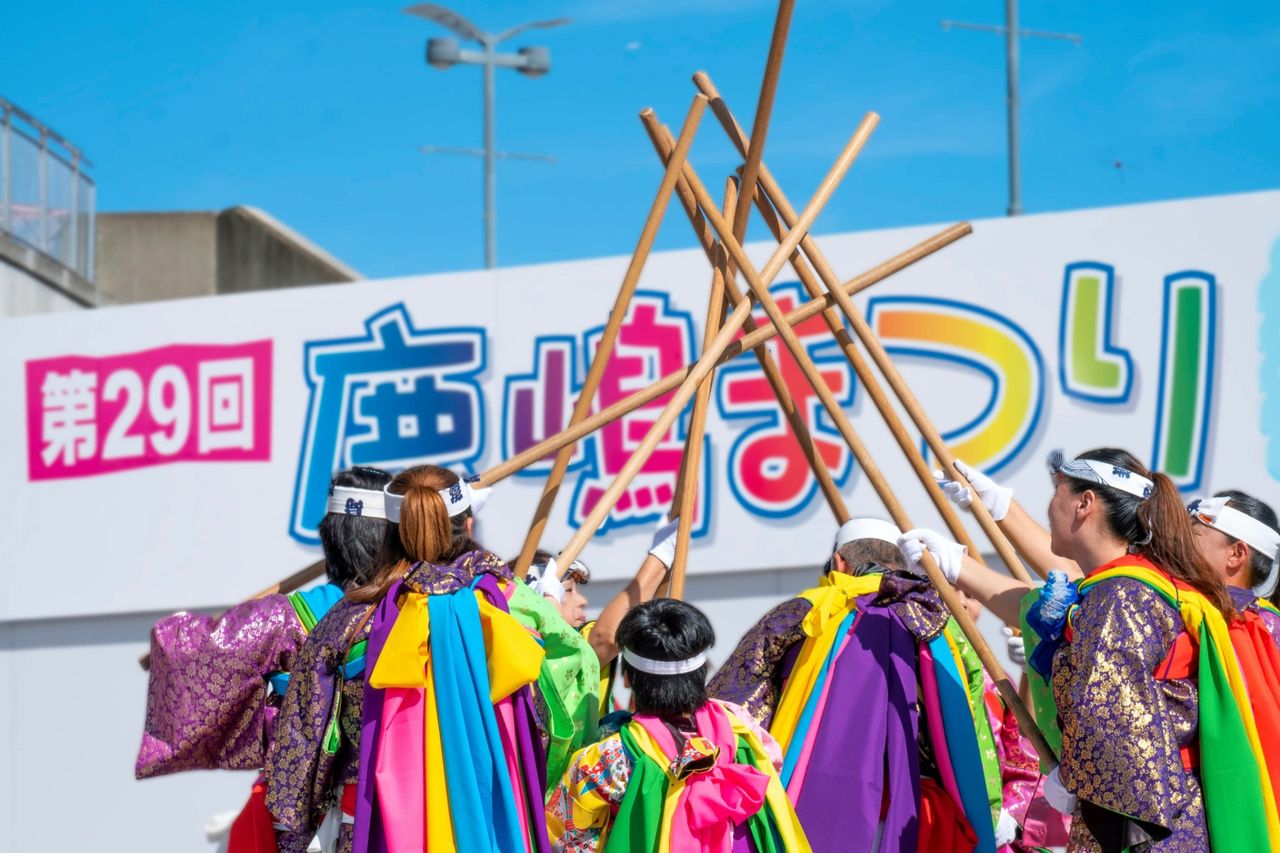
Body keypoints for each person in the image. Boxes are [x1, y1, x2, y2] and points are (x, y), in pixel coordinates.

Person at [913, 448, 1280, 850]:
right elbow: (1054, 594)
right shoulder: (1131, 587)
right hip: (1159, 811)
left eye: (1058, 492)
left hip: (1143, 823)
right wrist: (972, 543)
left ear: (1085, 502)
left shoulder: (1122, 595)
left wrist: (1078, 778)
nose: (1049, 506)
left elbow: (1112, 711)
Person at [312, 465, 595, 852]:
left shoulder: (348, 619)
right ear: (469, 523)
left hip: (378, 823)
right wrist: (546, 602)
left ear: (388, 531)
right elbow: (564, 693)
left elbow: (303, 745)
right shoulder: (512, 604)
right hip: (492, 816)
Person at [708, 517, 1000, 853]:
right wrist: (990, 807)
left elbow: (737, 703)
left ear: (839, 563)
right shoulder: (938, 621)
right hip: (918, 819)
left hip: (807, 807)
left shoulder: (802, 613)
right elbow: (974, 722)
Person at [138, 466, 391, 853]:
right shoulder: (412, 610)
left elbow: (197, 654)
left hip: (300, 816)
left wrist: (170, 640)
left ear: (332, 538)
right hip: (389, 810)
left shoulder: (286, 616)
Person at [546, 598, 810, 853]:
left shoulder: (606, 758)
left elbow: (566, 841)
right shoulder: (742, 728)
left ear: (627, 677)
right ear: (701, 671)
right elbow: (773, 766)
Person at [528, 516, 682, 717]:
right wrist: (660, 557)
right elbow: (605, 638)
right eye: (568, 590)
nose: (582, 600)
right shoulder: (540, 656)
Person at [1188, 490, 1280, 646]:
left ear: (1236, 554)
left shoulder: (1267, 628)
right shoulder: (1179, 599)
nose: (1182, 542)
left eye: (1194, 535)